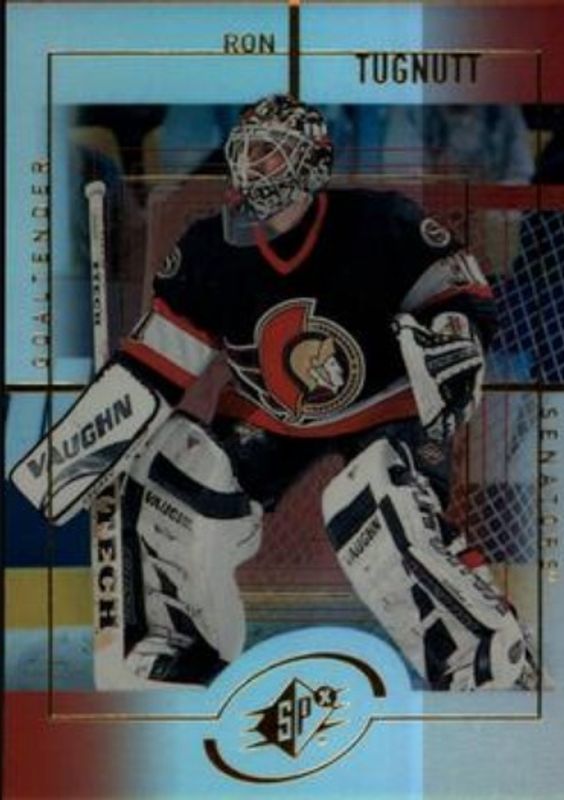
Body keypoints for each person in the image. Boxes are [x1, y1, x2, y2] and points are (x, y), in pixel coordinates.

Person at [12, 95, 537, 690]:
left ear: (311, 160)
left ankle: (485, 660)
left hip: (384, 404)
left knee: (377, 502)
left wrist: (454, 332)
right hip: (270, 415)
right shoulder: (211, 249)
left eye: (269, 152)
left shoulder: (380, 221)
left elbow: (459, 293)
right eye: (246, 152)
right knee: (175, 474)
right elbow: (153, 367)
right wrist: (72, 460)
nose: (251, 166)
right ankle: (178, 654)